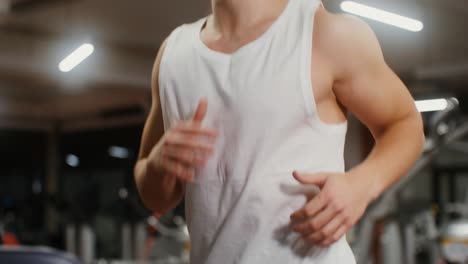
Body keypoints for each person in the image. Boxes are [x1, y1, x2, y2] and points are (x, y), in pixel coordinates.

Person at [134, 0, 425, 262]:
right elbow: (154, 195)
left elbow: (405, 124)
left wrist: (361, 185)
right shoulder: (173, 55)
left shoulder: (324, 33)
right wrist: (159, 166)